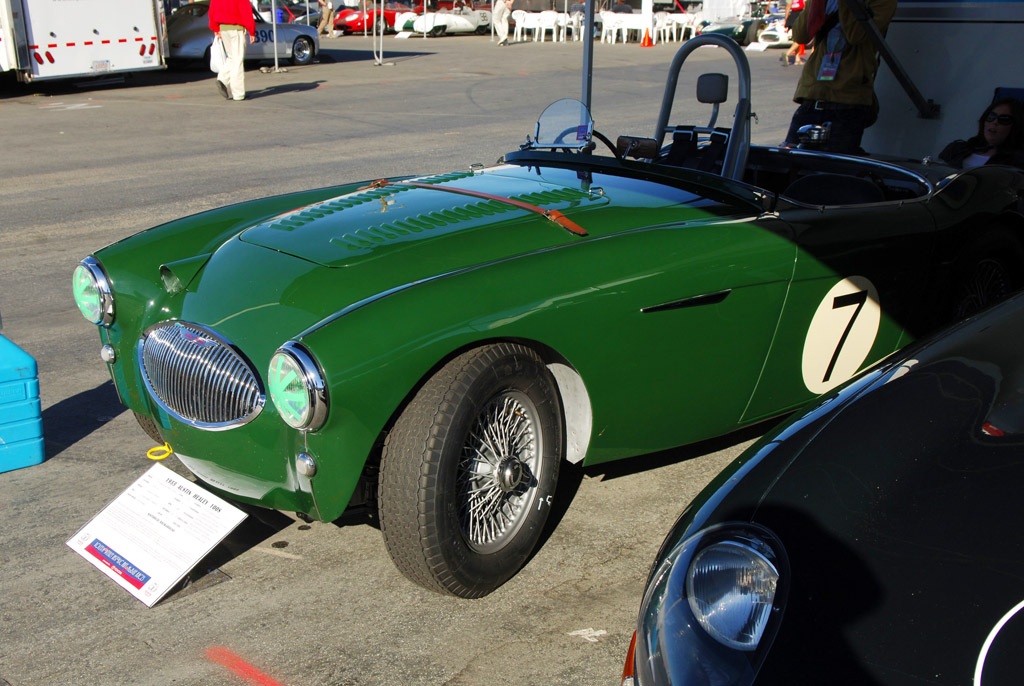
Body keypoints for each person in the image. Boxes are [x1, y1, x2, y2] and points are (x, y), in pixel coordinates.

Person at [782, 0, 897, 154]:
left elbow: (856, 35)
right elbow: (800, 35)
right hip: (812, 96)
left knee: (835, 169)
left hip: (847, 100)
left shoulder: (882, 2)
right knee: (792, 163)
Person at [939, 98, 1024, 169]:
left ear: (1015, 127)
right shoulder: (956, 149)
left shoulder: (1017, 162)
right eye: (991, 116)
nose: (994, 122)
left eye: (1004, 119)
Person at [208, 0, 255, 101]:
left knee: (231, 57)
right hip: (236, 27)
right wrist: (252, 31)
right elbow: (245, 10)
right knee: (237, 59)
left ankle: (222, 79)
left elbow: (212, 10)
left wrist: (215, 28)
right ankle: (238, 94)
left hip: (223, 28)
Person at [781, 0, 806, 66]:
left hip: (792, 17)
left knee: (796, 38)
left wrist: (786, 19)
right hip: (801, 16)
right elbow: (806, 6)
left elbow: (788, 7)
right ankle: (787, 54)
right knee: (801, 38)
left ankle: (797, 59)